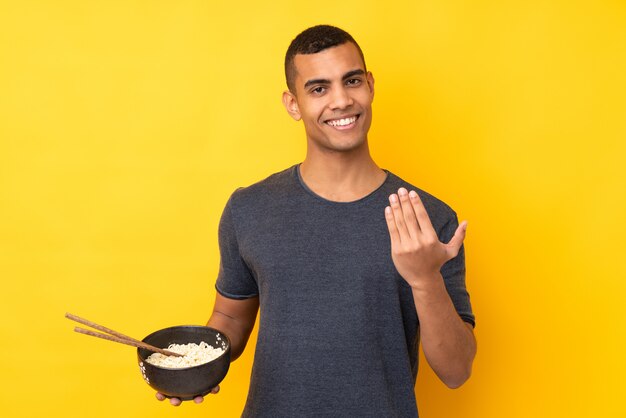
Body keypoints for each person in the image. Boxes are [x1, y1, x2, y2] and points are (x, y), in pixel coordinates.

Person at [157, 25, 476, 416]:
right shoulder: (248, 208)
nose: (341, 100)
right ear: (293, 104)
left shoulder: (428, 219)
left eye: (352, 81)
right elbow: (228, 317)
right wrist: (194, 366)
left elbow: (456, 370)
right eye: (319, 88)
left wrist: (425, 278)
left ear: (370, 86)